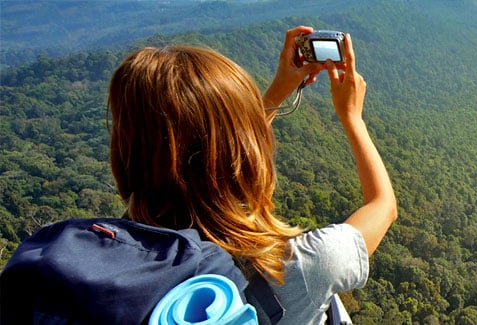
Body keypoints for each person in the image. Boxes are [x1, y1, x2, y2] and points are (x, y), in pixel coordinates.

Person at [107, 25, 397, 324]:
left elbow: (211, 160)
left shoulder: (121, 251)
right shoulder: (305, 266)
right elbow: (383, 206)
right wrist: (352, 117)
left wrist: (279, 89)